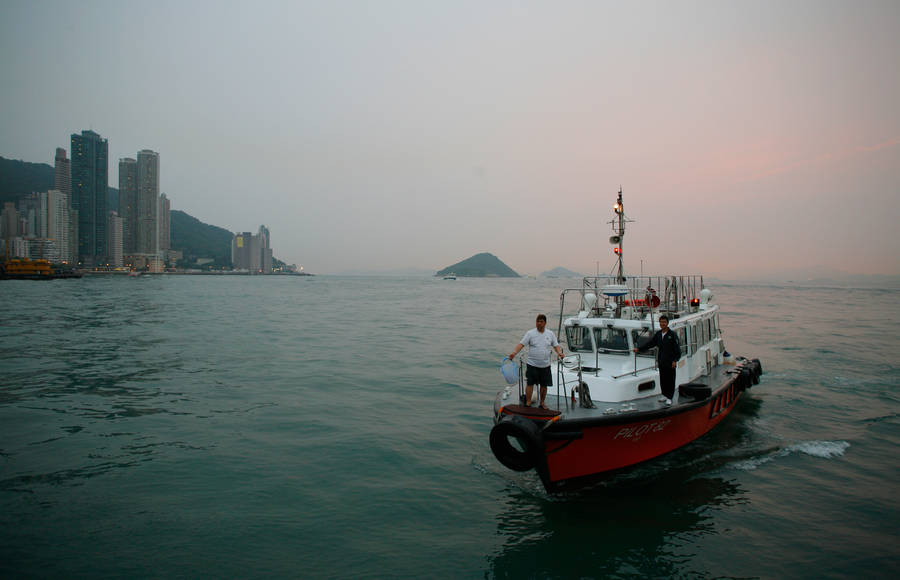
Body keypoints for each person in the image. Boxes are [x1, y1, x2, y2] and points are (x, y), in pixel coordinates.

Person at [509, 314, 565, 409]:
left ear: (545, 323)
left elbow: (556, 345)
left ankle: (542, 403)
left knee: (544, 385)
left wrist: (559, 353)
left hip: (545, 365)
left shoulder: (550, 334)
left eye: (541, 321)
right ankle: (528, 402)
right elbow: (521, 344)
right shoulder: (530, 333)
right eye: (537, 321)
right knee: (530, 383)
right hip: (532, 364)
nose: (539, 323)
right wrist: (514, 353)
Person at [633, 315, 681, 406]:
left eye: (664, 322)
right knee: (663, 379)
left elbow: (677, 349)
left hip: (670, 361)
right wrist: (639, 349)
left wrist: (675, 360)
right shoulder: (658, 334)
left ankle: (669, 397)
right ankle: (664, 394)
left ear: (667, 323)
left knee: (670, 379)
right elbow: (651, 343)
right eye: (661, 322)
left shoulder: (672, 335)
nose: (662, 324)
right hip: (661, 360)